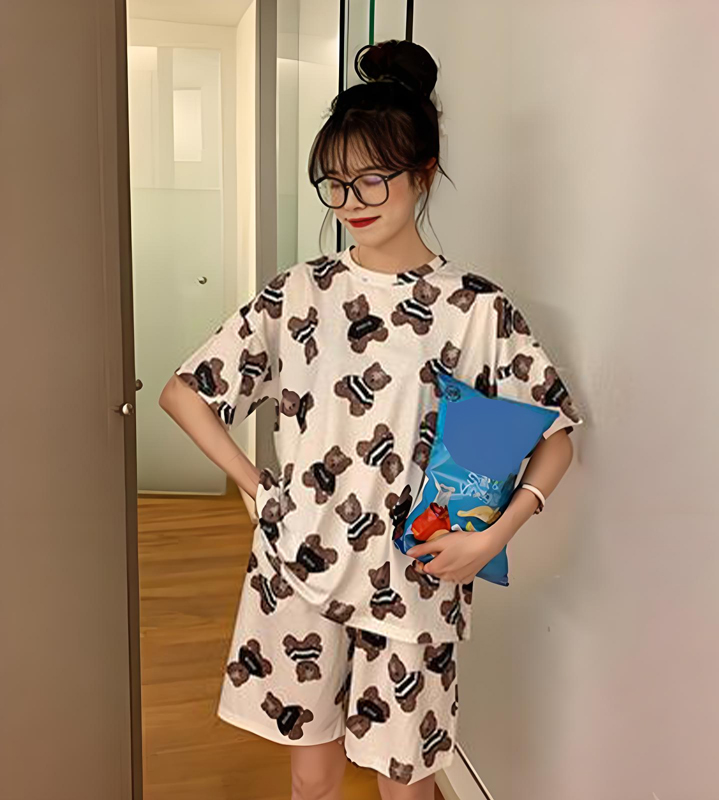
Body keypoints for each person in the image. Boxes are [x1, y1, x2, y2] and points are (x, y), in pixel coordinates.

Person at [159, 38, 584, 800]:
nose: (351, 200)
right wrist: (258, 486)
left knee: (406, 782)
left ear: (423, 173)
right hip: (301, 566)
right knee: (311, 778)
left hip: (417, 583)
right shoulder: (298, 293)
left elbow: (555, 436)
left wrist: (493, 535)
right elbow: (186, 392)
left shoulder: (476, 310)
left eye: (371, 178)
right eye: (335, 182)